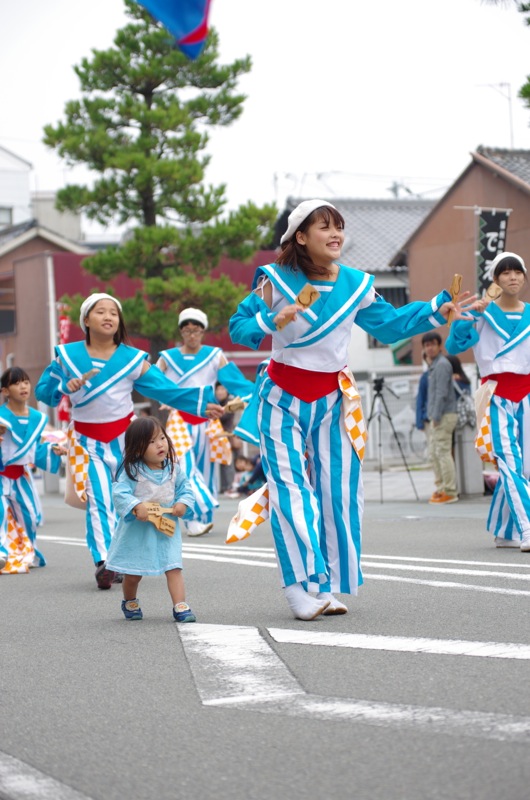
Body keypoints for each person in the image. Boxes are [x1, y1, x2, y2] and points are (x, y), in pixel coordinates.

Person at [229, 199, 478, 620]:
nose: (335, 234)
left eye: (339, 226)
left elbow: (391, 323)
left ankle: (324, 584)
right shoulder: (274, 281)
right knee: (293, 493)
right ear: (300, 237)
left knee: (341, 495)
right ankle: (298, 587)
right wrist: (273, 321)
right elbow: (239, 326)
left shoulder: (358, 284)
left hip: (333, 400)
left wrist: (437, 308)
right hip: (280, 399)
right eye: (324, 226)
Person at [35, 293, 223, 590]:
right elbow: (44, 394)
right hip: (87, 441)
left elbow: (167, 390)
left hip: (127, 442)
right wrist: (63, 385)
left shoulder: (132, 359)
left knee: (129, 500)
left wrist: (201, 405)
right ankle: (104, 562)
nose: (108, 316)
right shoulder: (67, 356)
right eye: (100, 312)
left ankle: (121, 559)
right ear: (86, 320)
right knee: (100, 499)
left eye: (114, 312)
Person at [447, 251, 530, 552]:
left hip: (527, 395)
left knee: (525, 468)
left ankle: (504, 530)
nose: (513, 277)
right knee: (510, 461)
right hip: (495, 393)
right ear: (495, 280)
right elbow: (455, 344)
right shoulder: (483, 314)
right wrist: (468, 316)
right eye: (506, 273)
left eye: (518, 272)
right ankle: (527, 527)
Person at [157, 308, 254, 537]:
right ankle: (191, 518)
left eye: (197, 330)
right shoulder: (167, 357)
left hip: (207, 422)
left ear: (203, 331)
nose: (192, 335)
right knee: (186, 470)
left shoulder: (214, 355)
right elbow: (153, 380)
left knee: (207, 470)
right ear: (181, 331)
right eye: (187, 330)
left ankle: (203, 519)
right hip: (179, 421)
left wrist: (254, 395)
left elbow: (234, 380)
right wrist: (163, 397)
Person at [105, 416, 197, 622]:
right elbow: (120, 493)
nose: (160, 444)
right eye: (151, 441)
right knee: (134, 572)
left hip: (166, 528)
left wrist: (183, 503)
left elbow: (186, 489)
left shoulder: (174, 468)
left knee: (173, 566)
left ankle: (180, 606)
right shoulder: (133, 470)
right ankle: (129, 600)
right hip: (139, 529)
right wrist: (136, 505)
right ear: (137, 449)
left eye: (162, 438)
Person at [0, 366, 65, 574]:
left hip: (21, 474)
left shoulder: (37, 418)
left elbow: (36, 449)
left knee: (29, 516)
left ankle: (29, 551)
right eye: (16, 383)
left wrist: (53, 451)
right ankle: (2, 553)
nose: (23, 386)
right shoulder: (1, 416)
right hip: (1, 474)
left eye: (26, 382)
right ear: (5, 391)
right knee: (0, 513)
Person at [421, 331, 459, 505]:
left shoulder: (442, 364)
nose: (429, 348)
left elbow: (442, 393)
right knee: (434, 453)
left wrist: (435, 416)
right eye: (426, 345)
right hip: (439, 415)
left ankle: (450, 491)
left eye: (432, 344)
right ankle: (442, 488)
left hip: (444, 414)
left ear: (439, 346)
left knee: (442, 452)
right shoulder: (434, 365)